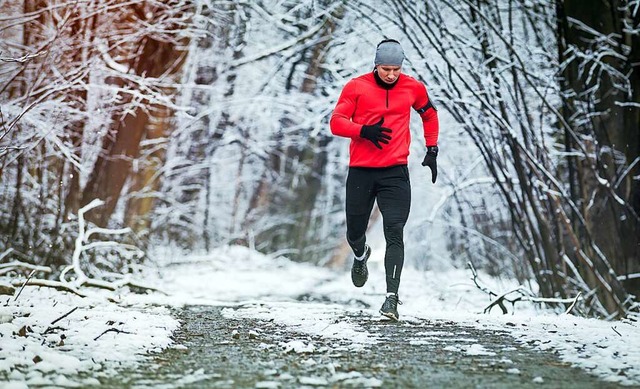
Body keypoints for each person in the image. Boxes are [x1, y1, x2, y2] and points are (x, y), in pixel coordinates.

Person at [329, 39, 439, 320]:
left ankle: (392, 298)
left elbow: (429, 114)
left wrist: (432, 147)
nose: (391, 74)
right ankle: (359, 254)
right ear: (376, 65)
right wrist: (364, 131)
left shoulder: (412, 87)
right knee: (355, 230)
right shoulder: (357, 86)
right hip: (362, 170)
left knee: (394, 231)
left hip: (395, 172)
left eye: (396, 69)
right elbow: (336, 122)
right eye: (386, 69)